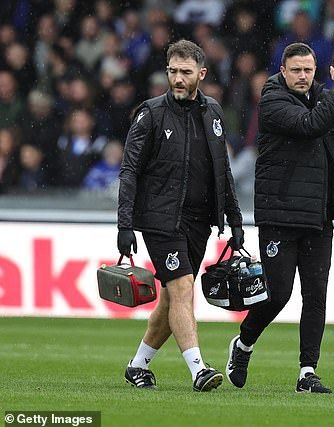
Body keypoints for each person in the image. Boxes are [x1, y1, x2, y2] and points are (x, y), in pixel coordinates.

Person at [225, 43, 334, 394]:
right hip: (281, 212)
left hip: (318, 213)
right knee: (277, 295)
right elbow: (310, 125)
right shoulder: (272, 101)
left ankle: (307, 372)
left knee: (316, 295)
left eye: (308, 70)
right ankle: (243, 344)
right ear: (283, 71)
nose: (304, 77)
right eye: (297, 71)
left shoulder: (323, 95)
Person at [117, 39, 244, 392]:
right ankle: (199, 369)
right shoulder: (151, 113)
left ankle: (138, 365)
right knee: (183, 288)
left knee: (174, 297)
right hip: (161, 219)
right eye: (172, 71)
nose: (177, 79)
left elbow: (223, 171)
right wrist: (124, 225)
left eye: (185, 72)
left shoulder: (214, 112)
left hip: (199, 221)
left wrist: (235, 221)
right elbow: (129, 170)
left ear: (201, 74)